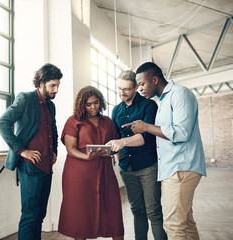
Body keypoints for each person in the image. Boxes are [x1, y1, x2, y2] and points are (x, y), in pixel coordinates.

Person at [123, 62, 207, 240]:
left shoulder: (180, 94)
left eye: (142, 83)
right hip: (173, 168)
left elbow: (182, 132)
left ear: (154, 79)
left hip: (181, 168)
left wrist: (146, 127)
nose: (139, 89)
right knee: (186, 222)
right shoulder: (162, 100)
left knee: (173, 225)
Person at [0, 63, 63, 240]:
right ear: (41, 83)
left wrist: (54, 150)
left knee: (40, 215)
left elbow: (53, 130)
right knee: (29, 216)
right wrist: (21, 150)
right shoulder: (25, 99)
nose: (56, 90)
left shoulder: (51, 106)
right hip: (30, 167)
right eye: (52, 86)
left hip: (46, 166)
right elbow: (2, 123)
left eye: (58, 85)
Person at [106, 70, 167, 240]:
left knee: (153, 211)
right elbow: (116, 138)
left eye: (126, 89)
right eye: (119, 88)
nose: (121, 93)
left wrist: (123, 143)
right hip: (127, 167)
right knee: (137, 210)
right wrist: (119, 163)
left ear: (135, 87)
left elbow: (146, 138)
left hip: (148, 166)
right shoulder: (116, 111)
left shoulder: (149, 105)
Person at [58, 86, 124, 240]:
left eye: (96, 102)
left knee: (113, 211)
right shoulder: (73, 121)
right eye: (89, 104)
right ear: (82, 105)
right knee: (81, 214)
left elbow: (115, 144)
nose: (93, 107)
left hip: (105, 170)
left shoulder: (107, 121)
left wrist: (112, 151)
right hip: (79, 172)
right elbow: (70, 149)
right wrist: (87, 157)